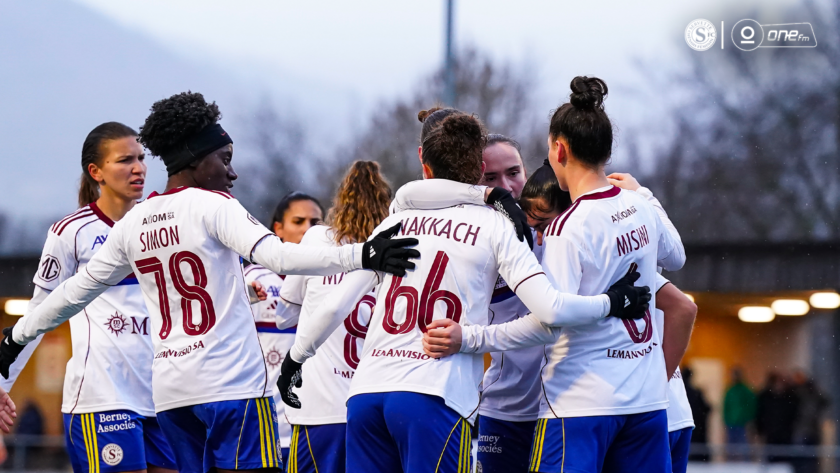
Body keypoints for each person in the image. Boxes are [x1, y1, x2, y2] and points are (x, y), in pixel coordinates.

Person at [0, 92, 420, 473]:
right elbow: (280, 257)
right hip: (230, 388)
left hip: (170, 394)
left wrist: (16, 337)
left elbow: (74, 292)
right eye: (225, 157)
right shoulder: (214, 206)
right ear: (196, 160)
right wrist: (362, 254)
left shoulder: (135, 222)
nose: (232, 172)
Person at [278, 110, 650, 473]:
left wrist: (295, 358)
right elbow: (551, 312)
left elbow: (335, 303)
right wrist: (613, 302)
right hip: (434, 395)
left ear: (424, 163)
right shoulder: (495, 225)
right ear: (477, 169)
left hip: (367, 395)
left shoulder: (394, 222)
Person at [417, 77, 687, 473]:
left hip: (580, 403)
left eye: (513, 171)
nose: (506, 186)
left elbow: (676, 305)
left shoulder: (558, 228)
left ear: (551, 154)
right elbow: (673, 256)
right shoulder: (467, 242)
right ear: (471, 183)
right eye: (490, 179)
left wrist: (469, 339)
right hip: (510, 411)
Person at [0, 122, 178, 473]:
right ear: (96, 172)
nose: (139, 167)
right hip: (104, 398)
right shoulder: (73, 232)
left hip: (164, 398)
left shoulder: (163, 225)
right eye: (125, 160)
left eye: (141, 158)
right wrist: (2, 381)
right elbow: (38, 315)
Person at [275, 161, 391, 473]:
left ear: (339, 202)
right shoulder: (393, 251)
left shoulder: (316, 240)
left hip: (320, 406)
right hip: (372, 405)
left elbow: (283, 316)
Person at [243, 191, 324, 463]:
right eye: (298, 221)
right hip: (266, 422)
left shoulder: (333, 281)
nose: (308, 230)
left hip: (316, 419)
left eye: (316, 222)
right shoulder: (255, 279)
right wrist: (244, 295)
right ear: (277, 229)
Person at [755, 372, 796, 462]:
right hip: (771, 434)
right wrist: (760, 430)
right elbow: (760, 415)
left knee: (784, 458)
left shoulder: (789, 398)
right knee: (771, 457)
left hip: (784, 434)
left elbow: (793, 415)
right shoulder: (765, 398)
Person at [723, 367, 756, 457]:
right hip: (731, 422)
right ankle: (731, 464)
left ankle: (745, 464)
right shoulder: (730, 390)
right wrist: (726, 420)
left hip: (742, 423)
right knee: (731, 446)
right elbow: (726, 407)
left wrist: (748, 419)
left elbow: (751, 406)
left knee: (744, 445)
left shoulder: (745, 390)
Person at [682, 367, 711, 462]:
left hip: (684, 426)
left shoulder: (680, 392)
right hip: (697, 427)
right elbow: (706, 408)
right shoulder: (695, 392)